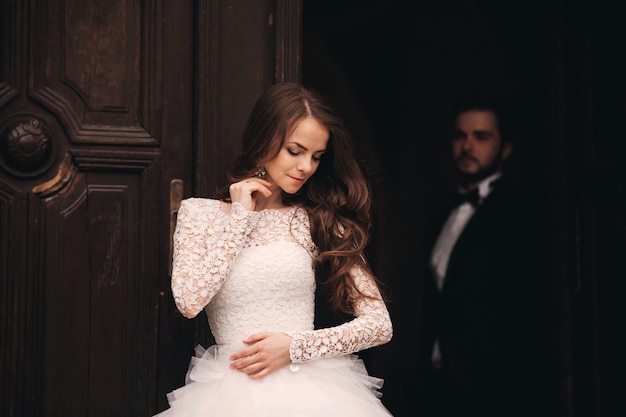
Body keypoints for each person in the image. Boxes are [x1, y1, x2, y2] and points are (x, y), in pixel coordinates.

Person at [155, 82, 394, 417]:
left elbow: (379, 325)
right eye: (295, 151)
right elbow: (189, 301)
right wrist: (239, 218)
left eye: (316, 157)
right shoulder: (199, 214)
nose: (306, 168)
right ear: (263, 140)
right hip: (230, 396)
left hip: (313, 393)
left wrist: (294, 347)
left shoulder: (317, 219)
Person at [407, 93, 552, 417]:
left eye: (481, 137)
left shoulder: (521, 215)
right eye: (461, 136)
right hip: (435, 387)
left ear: (506, 148)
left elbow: (529, 309)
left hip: (494, 391)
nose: (468, 146)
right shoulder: (438, 222)